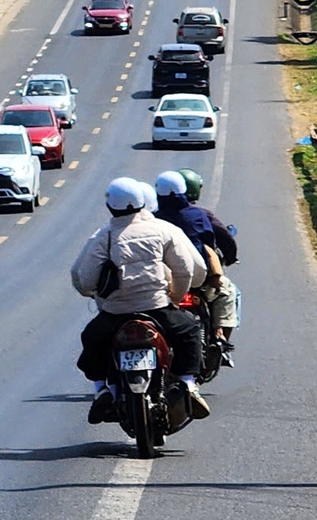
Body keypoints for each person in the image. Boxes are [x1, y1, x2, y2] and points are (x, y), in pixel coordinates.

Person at [68, 177, 210, 424]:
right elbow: (187, 269)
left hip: (115, 314)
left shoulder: (104, 237)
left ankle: (102, 389)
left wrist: (96, 294)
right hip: (157, 308)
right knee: (189, 332)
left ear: (111, 206)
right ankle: (188, 384)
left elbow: (85, 279)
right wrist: (175, 297)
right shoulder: (163, 230)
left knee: (91, 338)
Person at [155, 170, 240, 350]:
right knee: (228, 292)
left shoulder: (154, 219)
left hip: (164, 281)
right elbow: (218, 239)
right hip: (198, 280)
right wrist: (230, 258)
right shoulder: (200, 215)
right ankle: (220, 337)